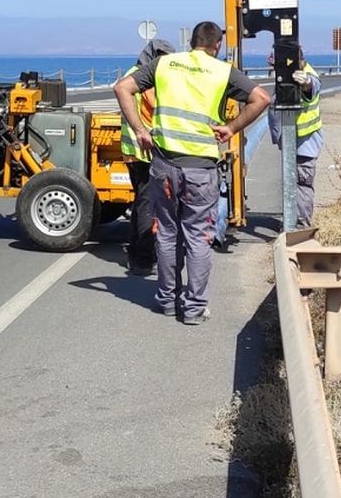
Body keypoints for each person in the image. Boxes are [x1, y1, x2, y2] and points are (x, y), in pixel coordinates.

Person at [114, 21, 272, 324]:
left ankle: (167, 300)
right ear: (217, 46)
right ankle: (195, 307)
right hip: (200, 169)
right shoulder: (221, 70)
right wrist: (231, 128)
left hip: (165, 165)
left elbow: (122, 87)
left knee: (168, 234)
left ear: (192, 43)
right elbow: (262, 98)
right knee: (198, 237)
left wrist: (139, 130)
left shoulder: (164, 64)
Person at [118, 39, 177, 274]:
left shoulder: (133, 72)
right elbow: (154, 105)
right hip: (144, 148)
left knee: (139, 199)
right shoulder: (147, 76)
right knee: (147, 203)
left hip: (133, 149)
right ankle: (144, 258)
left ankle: (135, 251)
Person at [267, 53, 323, 226]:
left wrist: (305, 82)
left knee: (301, 186)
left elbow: (311, 86)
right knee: (293, 184)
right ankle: (293, 221)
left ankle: (300, 225)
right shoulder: (288, 75)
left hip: (304, 144)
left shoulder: (305, 75)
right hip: (295, 143)